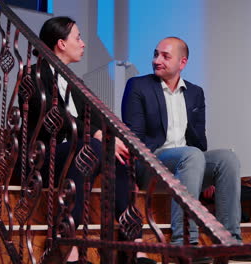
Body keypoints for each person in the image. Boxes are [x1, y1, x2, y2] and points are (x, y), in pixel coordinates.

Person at [21, 16, 154, 264]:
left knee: (115, 152)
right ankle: (70, 248)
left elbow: (98, 119)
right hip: (43, 155)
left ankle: (134, 246)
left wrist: (112, 139)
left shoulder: (75, 83)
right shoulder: (33, 76)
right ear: (61, 43)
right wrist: (95, 134)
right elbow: (52, 116)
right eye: (78, 38)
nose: (82, 44)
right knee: (93, 146)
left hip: (79, 151)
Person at [121, 37, 251, 263]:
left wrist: (206, 174)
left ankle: (229, 240)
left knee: (227, 158)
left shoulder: (195, 93)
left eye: (165, 56)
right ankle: (184, 241)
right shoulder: (138, 86)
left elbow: (198, 141)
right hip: (151, 163)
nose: (157, 60)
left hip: (188, 163)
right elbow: (135, 138)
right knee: (191, 155)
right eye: (156, 54)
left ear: (182, 62)